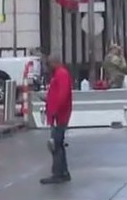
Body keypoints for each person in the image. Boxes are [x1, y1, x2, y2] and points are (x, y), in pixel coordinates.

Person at [41, 53, 72, 184]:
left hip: (59, 115)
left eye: (49, 64)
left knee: (56, 145)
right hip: (58, 114)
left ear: (54, 62)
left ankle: (58, 173)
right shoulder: (58, 74)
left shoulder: (61, 74)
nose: (48, 67)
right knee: (58, 144)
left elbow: (63, 95)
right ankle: (63, 172)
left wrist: (55, 110)